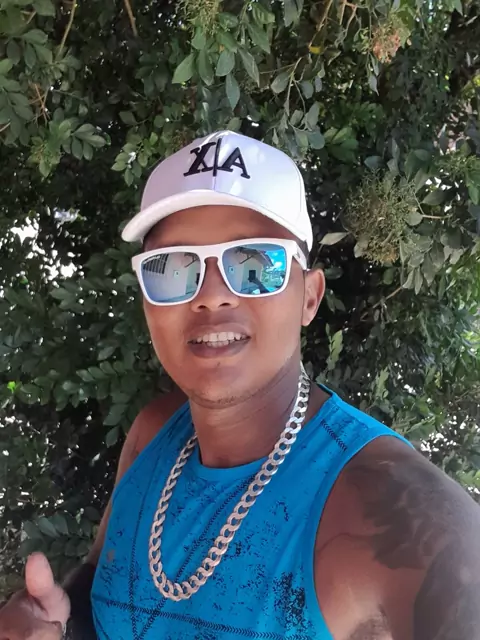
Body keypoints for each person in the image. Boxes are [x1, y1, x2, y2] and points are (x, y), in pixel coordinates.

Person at [1, 131, 479, 640]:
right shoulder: (152, 434)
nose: (210, 296)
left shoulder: (400, 518)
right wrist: (54, 621)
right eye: (172, 267)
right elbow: (100, 583)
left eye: (255, 263)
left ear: (309, 297)